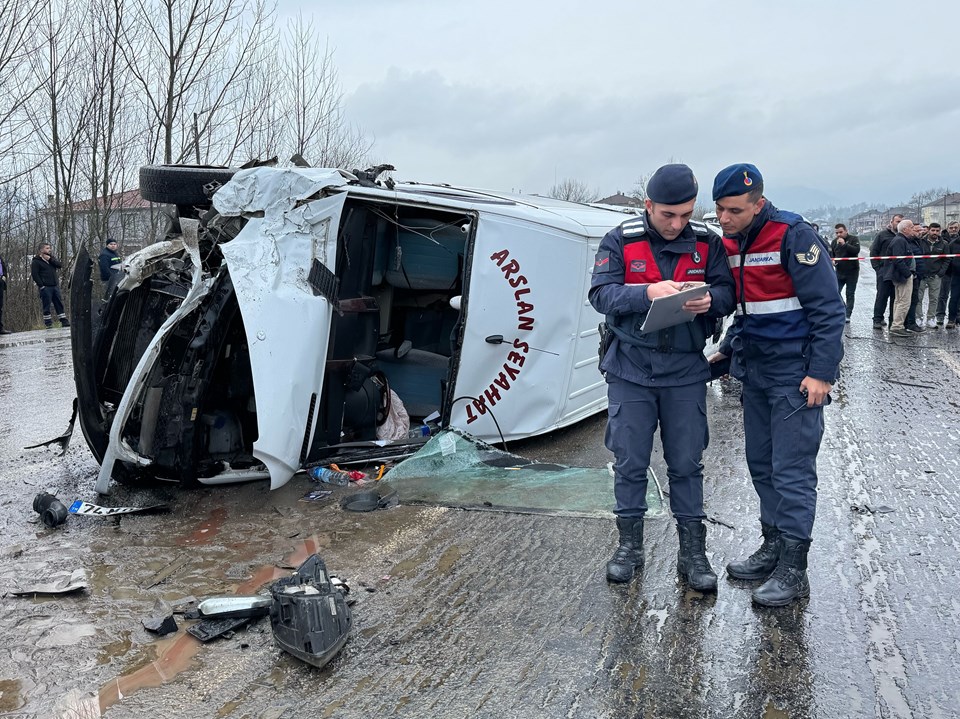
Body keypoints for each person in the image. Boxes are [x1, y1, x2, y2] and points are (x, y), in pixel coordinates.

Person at [589, 164, 735, 590]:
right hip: (631, 368)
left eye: (686, 215)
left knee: (687, 463)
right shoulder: (621, 239)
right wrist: (646, 292)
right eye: (668, 215)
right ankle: (629, 547)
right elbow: (600, 294)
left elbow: (729, 292)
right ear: (648, 205)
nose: (677, 224)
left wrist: (708, 300)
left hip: (686, 369)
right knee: (630, 461)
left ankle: (693, 552)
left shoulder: (708, 243)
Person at [707, 163, 845, 607]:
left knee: (792, 472)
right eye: (719, 209)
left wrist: (822, 373)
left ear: (759, 204)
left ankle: (793, 567)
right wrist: (728, 349)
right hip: (756, 371)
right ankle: (772, 545)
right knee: (761, 464)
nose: (724, 219)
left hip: (794, 375)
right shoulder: (731, 242)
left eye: (734, 210)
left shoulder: (793, 236)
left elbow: (828, 309)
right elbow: (748, 310)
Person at [885, 220, 918, 338]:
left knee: (899, 301)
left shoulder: (901, 240)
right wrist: (908, 274)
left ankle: (896, 325)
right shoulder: (900, 240)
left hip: (900, 275)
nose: (913, 229)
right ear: (905, 229)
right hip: (902, 276)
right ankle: (897, 327)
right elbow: (898, 259)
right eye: (911, 227)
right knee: (904, 301)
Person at [871, 214, 903, 329]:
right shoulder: (882, 235)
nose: (899, 224)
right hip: (884, 272)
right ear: (891, 222)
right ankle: (877, 319)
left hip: (898, 272)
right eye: (897, 221)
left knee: (896, 298)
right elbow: (873, 252)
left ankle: (892, 321)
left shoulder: (903, 236)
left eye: (901, 222)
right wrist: (878, 269)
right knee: (882, 296)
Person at [30, 243, 70, 329]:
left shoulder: (51, 259)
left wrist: (51, 259)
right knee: (46, 305)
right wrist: (41, 286)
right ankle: (48, 323)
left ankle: (63, 320)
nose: (49, 250)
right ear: (41, 250)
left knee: (59, 303)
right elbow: (35, 274)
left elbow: (60, 265)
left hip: (55, 286)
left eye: (49, 248)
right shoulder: (36, 261)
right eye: (47, 248)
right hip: (45, 287)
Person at [917, 223, 947, 328]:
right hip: (922, 275)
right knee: (918, 297)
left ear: (940, 231)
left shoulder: (944, 244)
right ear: (929, 230)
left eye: (937, 231)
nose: (935, 233)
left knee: (934, 298)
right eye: (933, 230)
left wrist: (941, 272)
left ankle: (931, 318)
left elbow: (947, 259)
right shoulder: (920, 242)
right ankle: (919, 318)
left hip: (935, 276)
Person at [830, 223, 860, 322]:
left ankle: (848, 314)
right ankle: (843, 308)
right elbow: (831, 255)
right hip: (839, 271)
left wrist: (844, 244)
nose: (839, 234)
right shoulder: (834, 242)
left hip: (852, 271)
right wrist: (833, 261)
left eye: (841, 232)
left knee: (850, 293)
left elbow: (856, 250)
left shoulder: (853, 239)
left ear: (846, 231)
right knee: (835, 292)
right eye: (837, 233)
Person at [936, 221, 960, 326]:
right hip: (948, 272)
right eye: (951, 228)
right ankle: (943, 316)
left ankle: (957, 316)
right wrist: (943, 271)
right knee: (944, 295)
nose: (954, 229)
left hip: (956, 272)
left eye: (956, 228)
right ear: (947, 228)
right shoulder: (945, 241)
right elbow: (946, 259)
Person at [945, 227, 960, 328]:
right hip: (957, 275)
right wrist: (950, 273)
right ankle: (951, 320)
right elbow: (948, 260)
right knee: (954, 297)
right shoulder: (953, 244)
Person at [0, 254, 10, 334]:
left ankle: (0, 328)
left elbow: (3, 267)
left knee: (0, 306)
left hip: (0, 282)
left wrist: (4, 276)